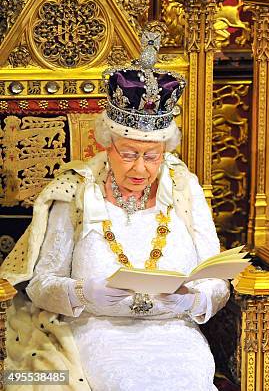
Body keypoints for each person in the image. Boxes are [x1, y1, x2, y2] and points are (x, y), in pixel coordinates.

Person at [0, 32, 228, 390]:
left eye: (152, 156)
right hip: (96, 333)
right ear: (105, 144)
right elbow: (41, 284)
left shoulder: (184, 187)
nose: (140, 169)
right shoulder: (75, 190)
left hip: (175, 336)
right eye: (128, 154)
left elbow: (217, 276)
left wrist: (197, 298)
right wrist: (83, 293)